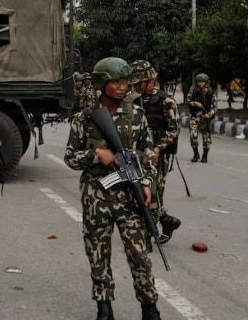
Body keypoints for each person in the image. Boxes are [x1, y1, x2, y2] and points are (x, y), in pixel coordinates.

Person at [64, 57, 161, 320]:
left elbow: (149, 155)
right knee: (98, 254)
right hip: (97, 195)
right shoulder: (84, 118)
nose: (121, 87)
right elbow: (71, 157)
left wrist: (147, 183)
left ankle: (150, 308)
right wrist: (97, 155)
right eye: (115, 82)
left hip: (130, 196)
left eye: (124, 82)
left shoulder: (137, 116)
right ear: (101, 83)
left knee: (139, 255)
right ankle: (104, 308)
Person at [131, 60, 182, 244]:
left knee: (154, 192)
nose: (135, 86)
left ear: (150, 80)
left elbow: (174, 130)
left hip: (158, 153)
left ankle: (148, 232)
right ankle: (166, 222)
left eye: (139, 83)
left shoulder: (165, 100)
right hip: (138, 153)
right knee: (140, 191)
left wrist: (158, 148)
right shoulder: (134, 99)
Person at [188, 72, 216, 163]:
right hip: (195, 117)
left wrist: (209, 114)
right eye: (199, 82)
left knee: (206, 138)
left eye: (202, 82)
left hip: (205, 117)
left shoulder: (211, 92)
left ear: (206, 82)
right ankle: (196, 154)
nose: (200, 83)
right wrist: (195, 103)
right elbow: (188, 101)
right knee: (193, 136)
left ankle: (205, 156)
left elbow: (214, 107)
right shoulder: (193, 91)